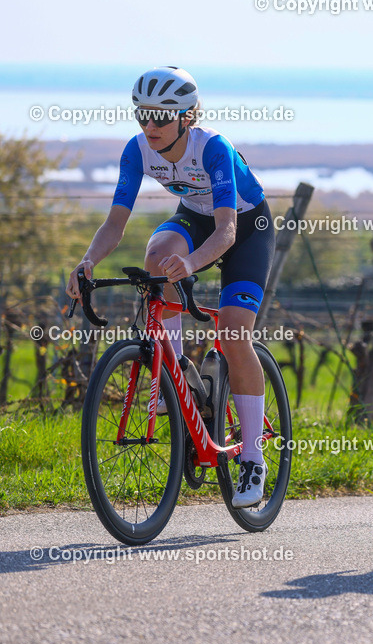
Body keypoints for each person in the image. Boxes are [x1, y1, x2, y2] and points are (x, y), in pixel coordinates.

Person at [66, 66, 275, 508]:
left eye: (161, 117)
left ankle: (253, 458)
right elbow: (115, 225)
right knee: (156, 252)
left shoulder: (212, 148)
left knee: (236, 333)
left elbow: (226, 234)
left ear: (187, 117)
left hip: (244, 227)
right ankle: (174, 370)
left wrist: (192, 264)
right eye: (142, 115)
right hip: (195, 219)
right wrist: (86, 262)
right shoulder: (138, 150)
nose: (150, 126)